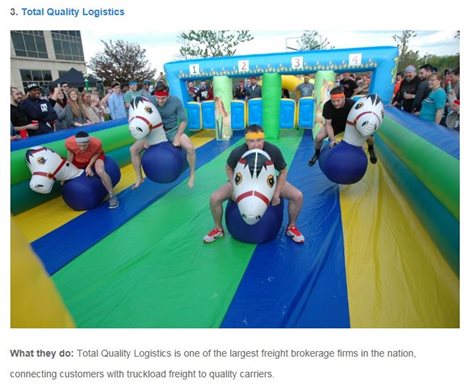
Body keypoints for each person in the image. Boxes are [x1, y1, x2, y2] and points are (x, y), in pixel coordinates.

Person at [203, 124, 305, 244]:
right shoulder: (238, 151)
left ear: (263, 139)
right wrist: (235, 187)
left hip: (268, 180)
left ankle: (291, 227)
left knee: (297, 196)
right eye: (251, 141)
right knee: (214, 198)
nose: (256, 144)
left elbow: (283, 171)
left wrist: (277, 193)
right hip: (242, 181)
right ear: (246, 141)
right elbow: (228, 168)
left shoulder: (273, 150)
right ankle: (218, 229)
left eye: (259, 140)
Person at [130, 85, 196, 189]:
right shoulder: (150, 101)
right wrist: (147, 137)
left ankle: (192, 174)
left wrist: (178, 136)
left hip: (172, 130)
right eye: (158, 98)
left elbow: (184, 120)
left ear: (168, 95)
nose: (160, 101)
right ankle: (139, 177)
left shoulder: (175, 101)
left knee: (190, 148)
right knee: (133, 150)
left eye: (163, 98)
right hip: (155, 132)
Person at [308, 86, 377, 166]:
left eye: (338, 101)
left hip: (350, 126)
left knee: (370, 137)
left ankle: (371, 148)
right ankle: (317, 153)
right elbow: (328, 124)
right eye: (333, 101)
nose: (335, 103)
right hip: (334, 125)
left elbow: (357, 123)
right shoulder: (327, 106)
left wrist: (360, 141)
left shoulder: (352, 105)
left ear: (343, 97)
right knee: (318, 138)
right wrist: (333, 139)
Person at [65, 131, 119, 209]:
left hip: (94, 157)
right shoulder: (69, 142)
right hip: (79, 159)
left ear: (89, 142)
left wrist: (89, 166)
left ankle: (112, 195)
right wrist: (69, 168)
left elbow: (97, 153)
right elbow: (70, 154)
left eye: (84, 145)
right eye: (79, 146)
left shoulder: (96, 143)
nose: (81, 148)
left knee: (100, 171)